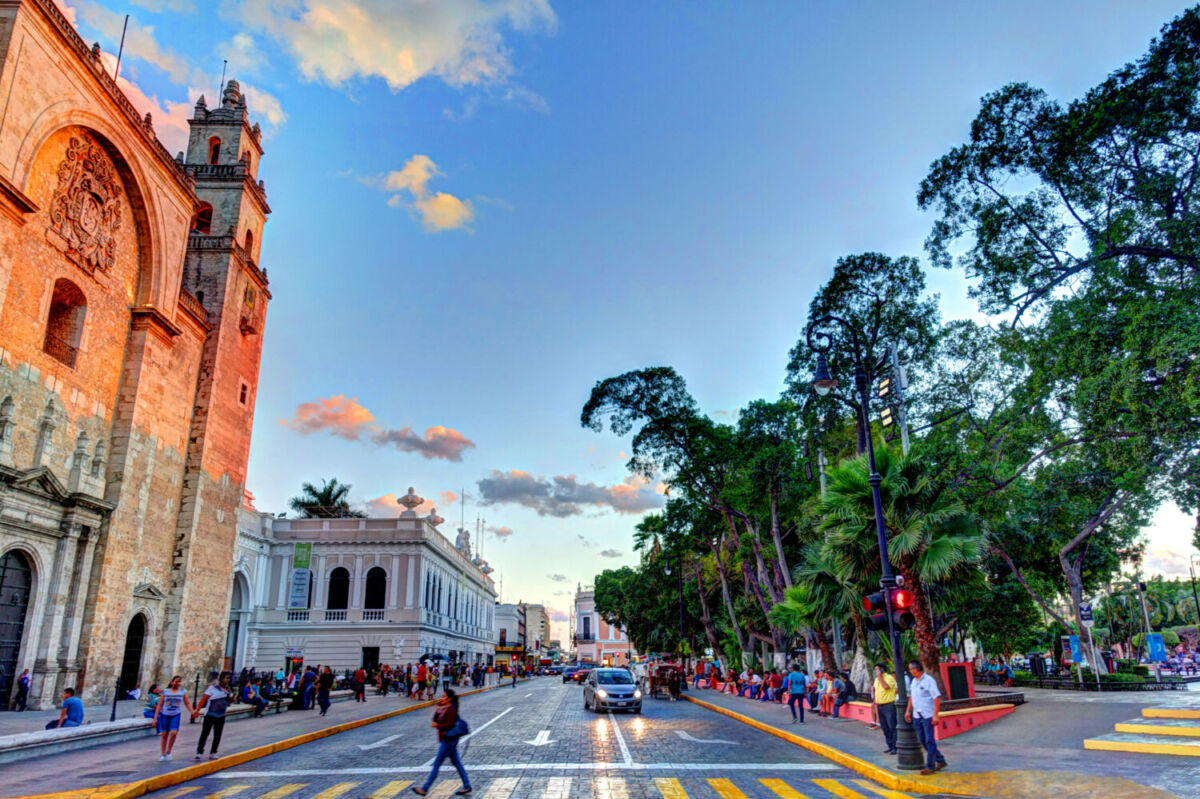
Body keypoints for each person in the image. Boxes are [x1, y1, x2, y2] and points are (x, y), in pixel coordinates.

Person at [413, 688, 471, 796]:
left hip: (449, 740)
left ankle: (425, 788)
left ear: (449, 699)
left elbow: (448, 725)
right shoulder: (445, 709)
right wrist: (436, 709)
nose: (442, 698)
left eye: (444, 696)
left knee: (436, 764)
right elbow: (436, 720)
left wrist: (437, 726)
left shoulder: (451, 710)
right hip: (447, 740)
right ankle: (467, 785)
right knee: (457, 763)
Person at [905, 660, 946, 775]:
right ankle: (940, 759)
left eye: (911, 668)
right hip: (917, 715)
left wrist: (935, 715)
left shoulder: (929, 681)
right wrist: (908, 711)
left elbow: (936, 697)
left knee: (929, 740)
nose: (910, 671)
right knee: (923, 740)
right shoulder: (914, 682)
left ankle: (930, 765)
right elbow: (912, 697)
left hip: (928, 715)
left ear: (917, 669)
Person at [192, 672, 233, 760]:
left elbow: (228, 703)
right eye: (226, 678)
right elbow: (204, 699)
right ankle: (199, 752)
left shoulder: (228, 690)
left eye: (229, 678)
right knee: (205, 733)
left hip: (221, 715)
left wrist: (231, 699)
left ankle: (213, 752)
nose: (228, 680)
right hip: (210, 714)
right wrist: (197, 710)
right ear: (221, 679)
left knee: (217, 734)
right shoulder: (213, 688)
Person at [153, 675, 195, 762]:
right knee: (164, 735)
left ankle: (168, 752)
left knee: (174, 733)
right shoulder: (165, 692)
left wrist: (192, 712)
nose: (178, 683)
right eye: (176, 681)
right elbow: (160, 705)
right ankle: (163, 753)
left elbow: (187, 703)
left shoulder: (182, 691)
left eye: (179, 681)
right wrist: (155, 718)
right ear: (172, 682)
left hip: (175, 715)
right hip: (165, 714)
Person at [873, 664, 898, 755]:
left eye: (876, 670)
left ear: (882, 670)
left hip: (889, 705)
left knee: (892, 726)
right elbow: (875, 689)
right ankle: (890, 745)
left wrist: (880, 677)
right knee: (885, 727)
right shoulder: (876, 680)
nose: (875, 672)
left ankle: (895, 746)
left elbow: (886, 687)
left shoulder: (889, 678)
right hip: (880, 705)